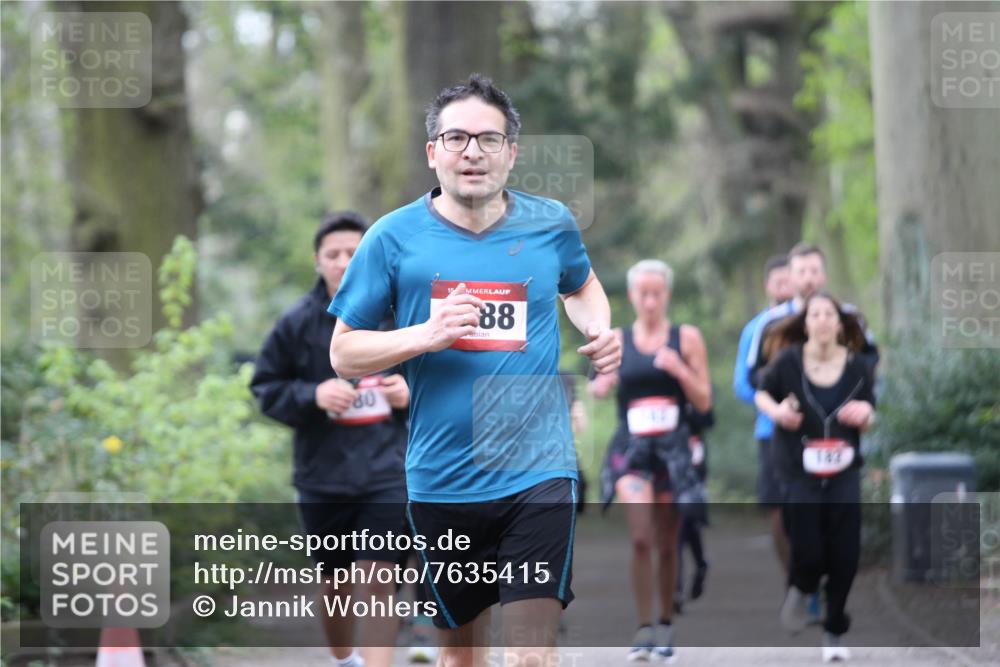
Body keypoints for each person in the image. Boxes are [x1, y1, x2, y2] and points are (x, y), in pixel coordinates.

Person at [327, 74, 621, 667]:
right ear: (432, 151)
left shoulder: (551, 224)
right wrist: (427, 335)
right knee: (462, 657)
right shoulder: (391, 238)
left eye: (489, 140)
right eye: (456, 137)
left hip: (538, 469)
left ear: (512, 153)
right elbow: (344, 352)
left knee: (530, 653)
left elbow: (583, 286)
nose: (472, 152)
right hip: (442, 477)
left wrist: (597, 327)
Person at [250, 212, 413, 667]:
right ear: (317, 261)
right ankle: (344, 660)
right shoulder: (296, 324)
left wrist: (407, 394)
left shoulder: (398, 316)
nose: (343, 262)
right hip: (322, 475)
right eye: (333, 254)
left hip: (388, 471)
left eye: (353, 253)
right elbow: (265, 387)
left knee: (381, 575)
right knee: (337, 580)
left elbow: (437, 384)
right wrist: (313, 393)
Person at [588, 259, 712, 663]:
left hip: (673, 451)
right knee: (641, 536)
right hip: (633, 450)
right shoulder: (620, 339)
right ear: (632, 296)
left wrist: (679, 369)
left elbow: (704, 400)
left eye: (657, 293)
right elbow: (597, 387)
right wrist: (602, 382)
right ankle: (643, 627)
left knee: (666, 541)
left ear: (667, 295)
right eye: (643, 293)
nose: (651, 300)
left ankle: (664, 623)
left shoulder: (686, 338)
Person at [754, 291, 876, 663]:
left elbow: (871, 412)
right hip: (798, 468)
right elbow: (762, 393)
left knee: (845, 554)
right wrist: (777, 412)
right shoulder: (788, 362)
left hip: (843, 471)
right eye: (815, 314)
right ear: (805, 324)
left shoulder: (857, 368)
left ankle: (834, 629)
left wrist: (864, 414)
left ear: (839, 324)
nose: (822, 320)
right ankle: (803, 585)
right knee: (808, 549)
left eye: (829, 314)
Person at [733, 255, 794, 573]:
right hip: (771, 431)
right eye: (778, 279)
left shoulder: (814, 321)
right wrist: (773, 404)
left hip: (809, 432)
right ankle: (793, 579)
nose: (785, 285)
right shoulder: (755, 329)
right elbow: (742, 384)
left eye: (790, 278)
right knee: (779, 510)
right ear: (767, 284)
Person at [674, 404, 713, 614]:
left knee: (690, 523)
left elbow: (708, 419)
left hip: (694, 466)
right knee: (676, 528)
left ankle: (700, 564)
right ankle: (676, 590)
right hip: (668, 460)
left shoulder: (695, 381)